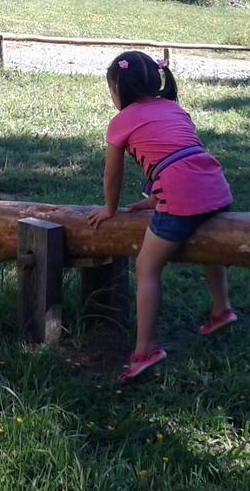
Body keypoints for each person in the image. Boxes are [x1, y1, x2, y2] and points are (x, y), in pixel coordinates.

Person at [86, 50, 237, 383]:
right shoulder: (175, 109)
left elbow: (113, 176)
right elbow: (181, 155)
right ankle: (221, 307)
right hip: (215, 187)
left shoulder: (121, 121)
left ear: (119, 89)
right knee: (210, 246)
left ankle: (145, 350)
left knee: (147, 266)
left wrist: (110, 209)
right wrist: (156, 199)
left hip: (181, 195)